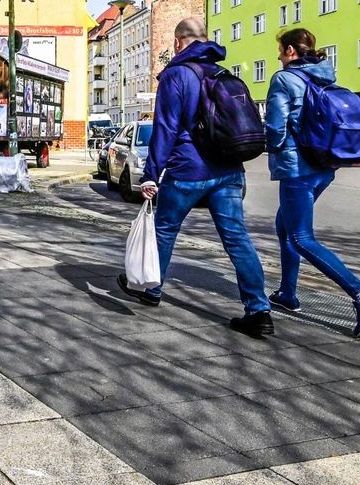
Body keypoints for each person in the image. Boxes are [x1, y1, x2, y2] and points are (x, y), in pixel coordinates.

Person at [117, 17, 273, 338]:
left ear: (178, 42)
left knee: (165, 229)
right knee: (237, 238)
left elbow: (166, 129)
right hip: (229, 172)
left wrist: (151, 174)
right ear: (205, 39)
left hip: (187, 171)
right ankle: (259, 310)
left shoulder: (176, 76)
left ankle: (151, 289)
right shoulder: (222, 73)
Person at [266, 28, 360, 338]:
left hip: (297, 169)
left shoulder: (284, 79)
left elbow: (277, 129)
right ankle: (287, 293)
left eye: (280, 51)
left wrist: (263, 143)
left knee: (300, 237)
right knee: (285, 227)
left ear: (291, 51)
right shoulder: (325, 78)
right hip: (324, 166)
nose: (278, 56)